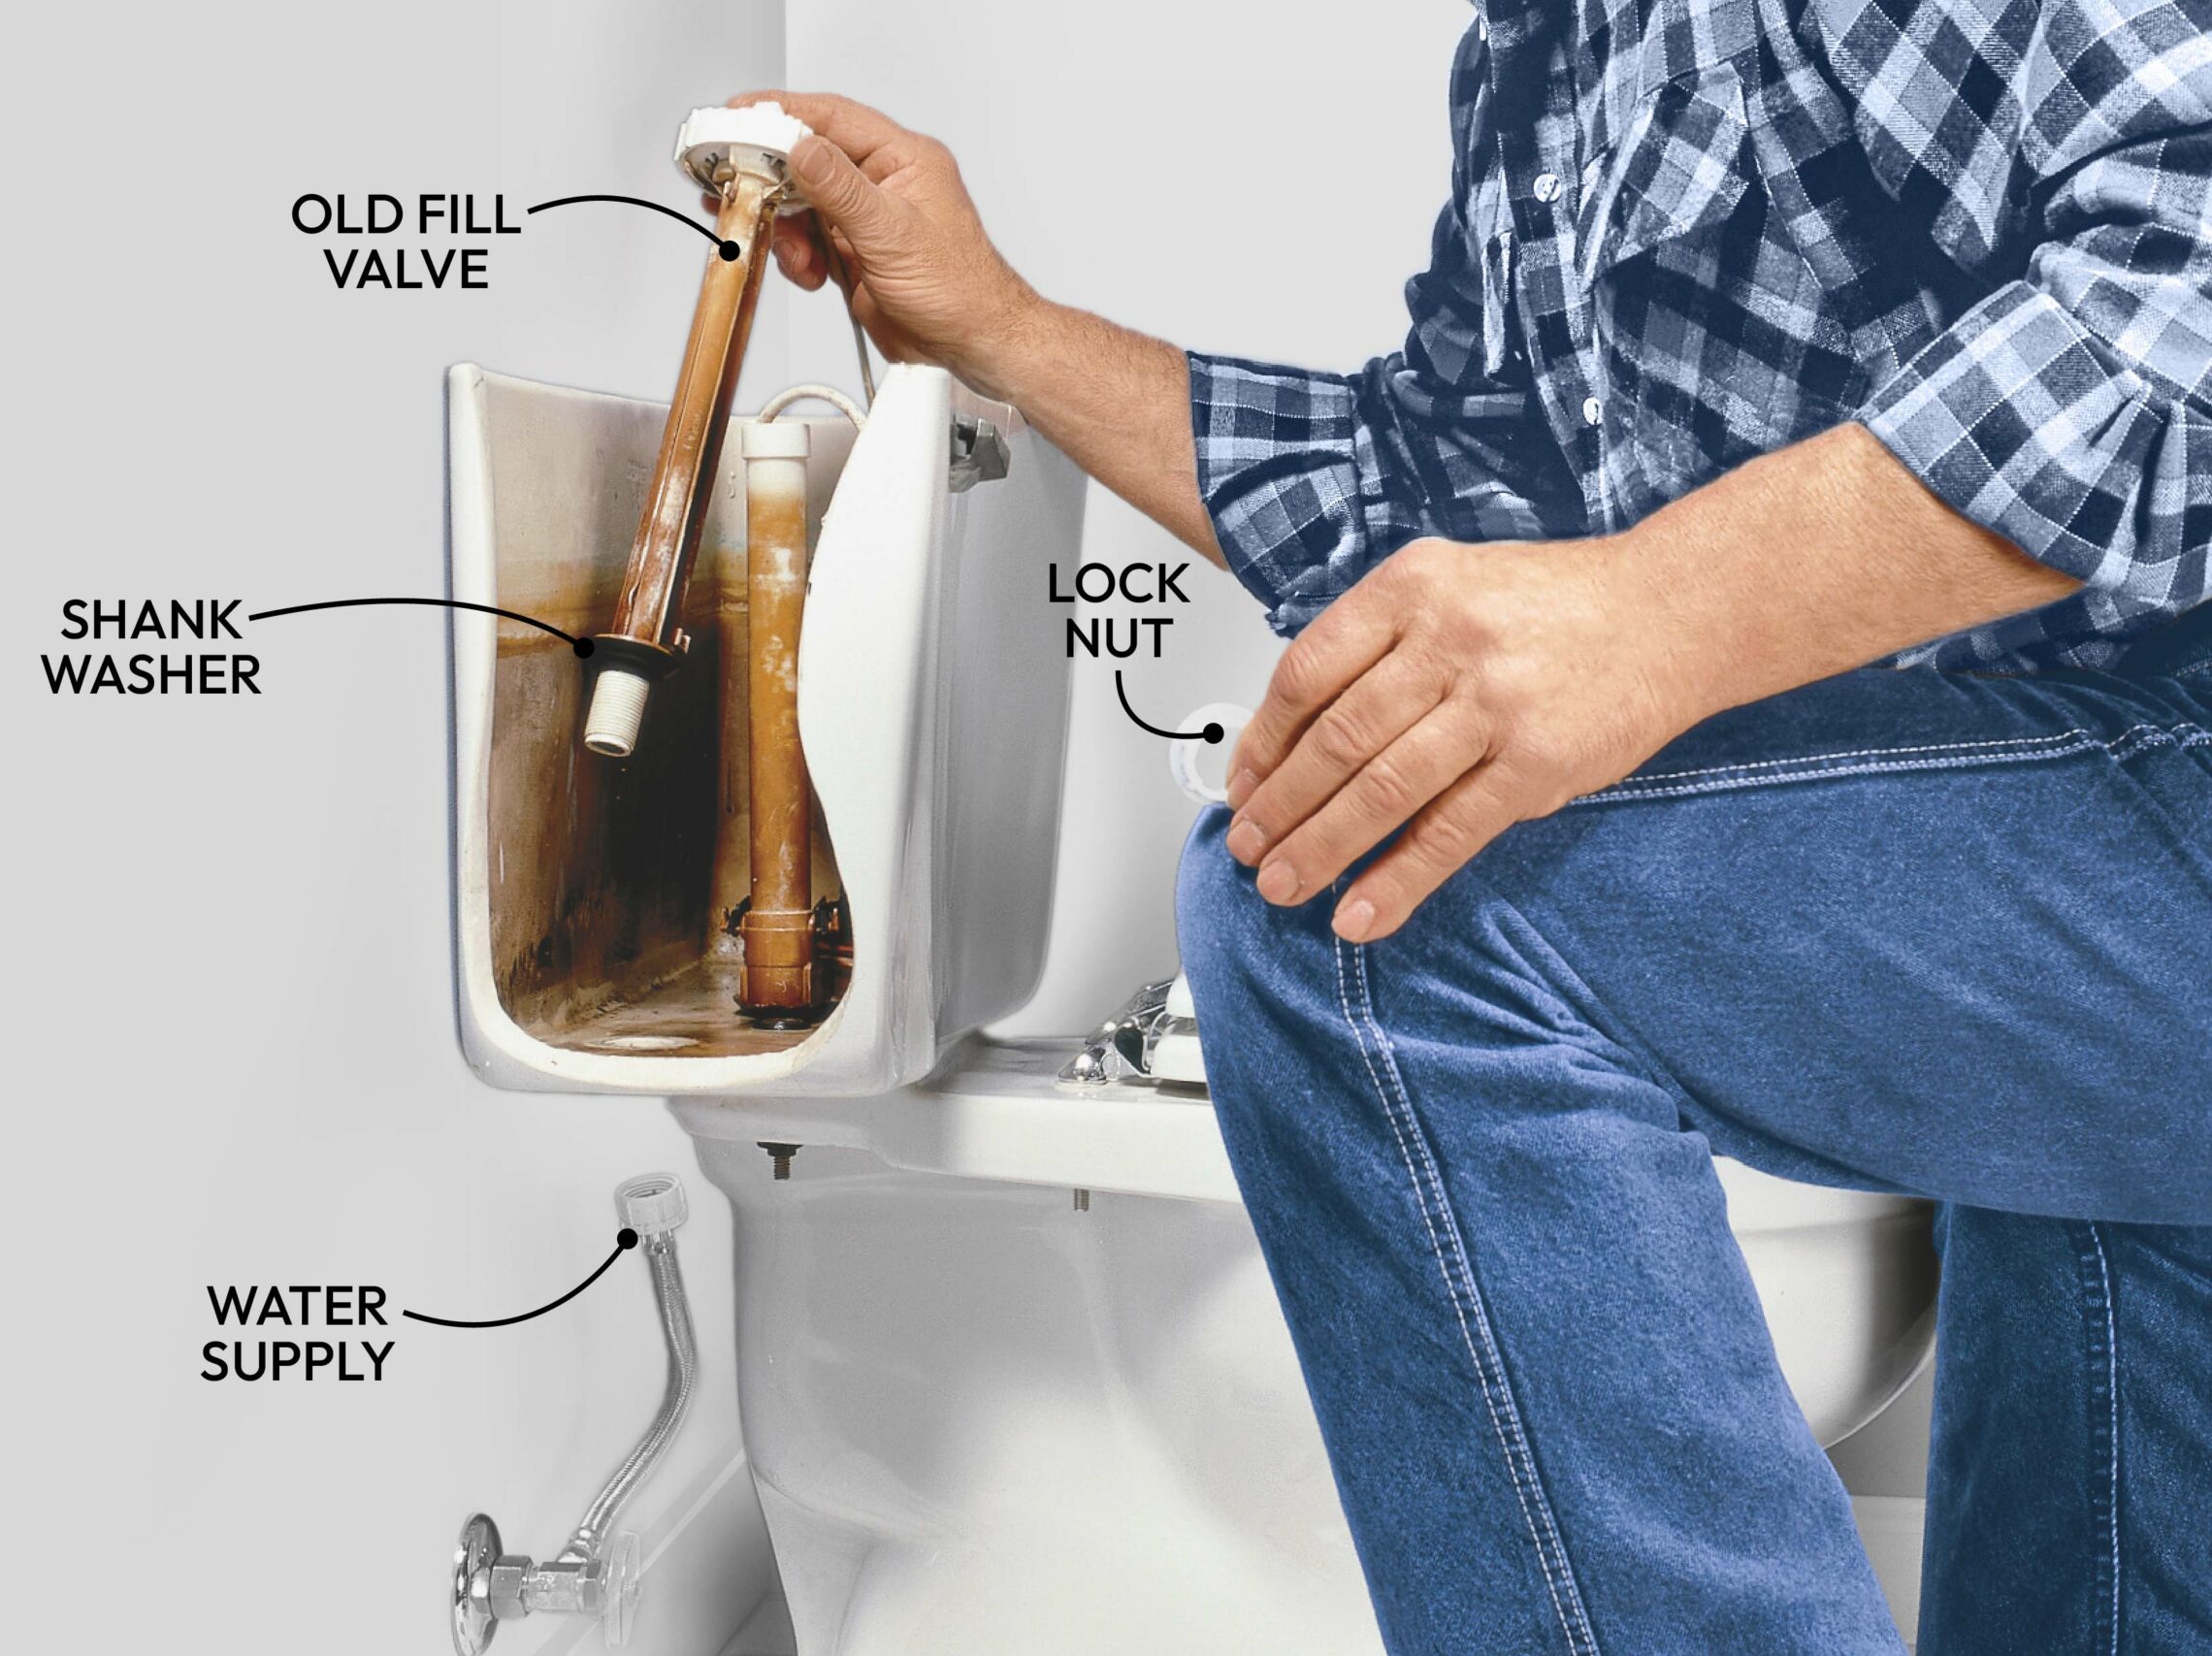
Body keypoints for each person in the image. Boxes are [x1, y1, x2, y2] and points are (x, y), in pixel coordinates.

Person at [732, 0, 2212, 1643]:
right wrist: (997, 324)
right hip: (2089, 827)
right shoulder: (1543, 59)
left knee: (1365, 901)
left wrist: (1658, 611)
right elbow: (1431, 497)